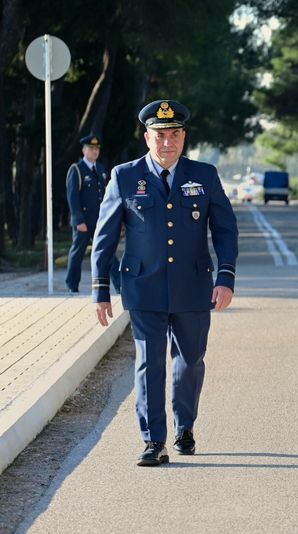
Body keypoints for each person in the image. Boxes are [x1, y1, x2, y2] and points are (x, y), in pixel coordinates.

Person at [91, 100, 239, 466]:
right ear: (147, 137)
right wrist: (100, 288)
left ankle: (185, 425)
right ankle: (153, 440)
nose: (167, 142)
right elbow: (105, 235)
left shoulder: (204, 175)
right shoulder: (125, 177)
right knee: (149, 362)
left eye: (174, 134)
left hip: (193, 285)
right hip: (143, 286)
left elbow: (224, 229)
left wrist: (226, 277)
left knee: (190, 361)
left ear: (184, 137)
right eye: (160, 135)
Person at [65, 134, 118, 294]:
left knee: (108, 252)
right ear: (84, 150)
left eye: (97, 148)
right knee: (77, 254)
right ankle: (72, 286)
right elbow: (72, 197)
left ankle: (120, 285)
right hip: (83, 221)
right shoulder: (77, 169)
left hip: (99, 221)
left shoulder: (101, 169)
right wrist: (78, 220)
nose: (95, 151)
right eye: (91, 148)